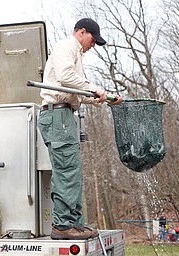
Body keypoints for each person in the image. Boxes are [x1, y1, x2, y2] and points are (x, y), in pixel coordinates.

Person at [38, 18, 123, 240]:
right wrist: (95, 88)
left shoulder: (76, 55)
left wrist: (102, 99)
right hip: (57, 115)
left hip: (64, 114)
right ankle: (62, 226)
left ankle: (74, 223)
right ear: (82, 32)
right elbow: (67, 78)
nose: (93, 45)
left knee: (72, 172)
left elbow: (76, 92)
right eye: (93, 40)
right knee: (66, 171)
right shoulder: (65, 47)